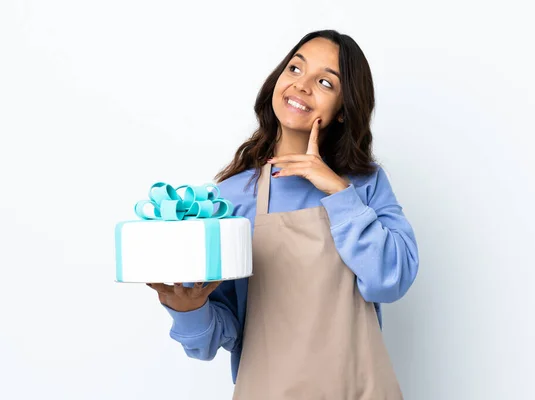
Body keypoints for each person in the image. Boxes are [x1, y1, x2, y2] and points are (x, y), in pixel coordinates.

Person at [146, 29, 419, 399]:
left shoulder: (363, 185)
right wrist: (188, 309)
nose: (302, 86)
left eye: (325, 82)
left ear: (343, 110)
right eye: (294, 68)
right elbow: (220, 334)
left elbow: (390, 279)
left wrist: (338, 191)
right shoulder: (230, 197)